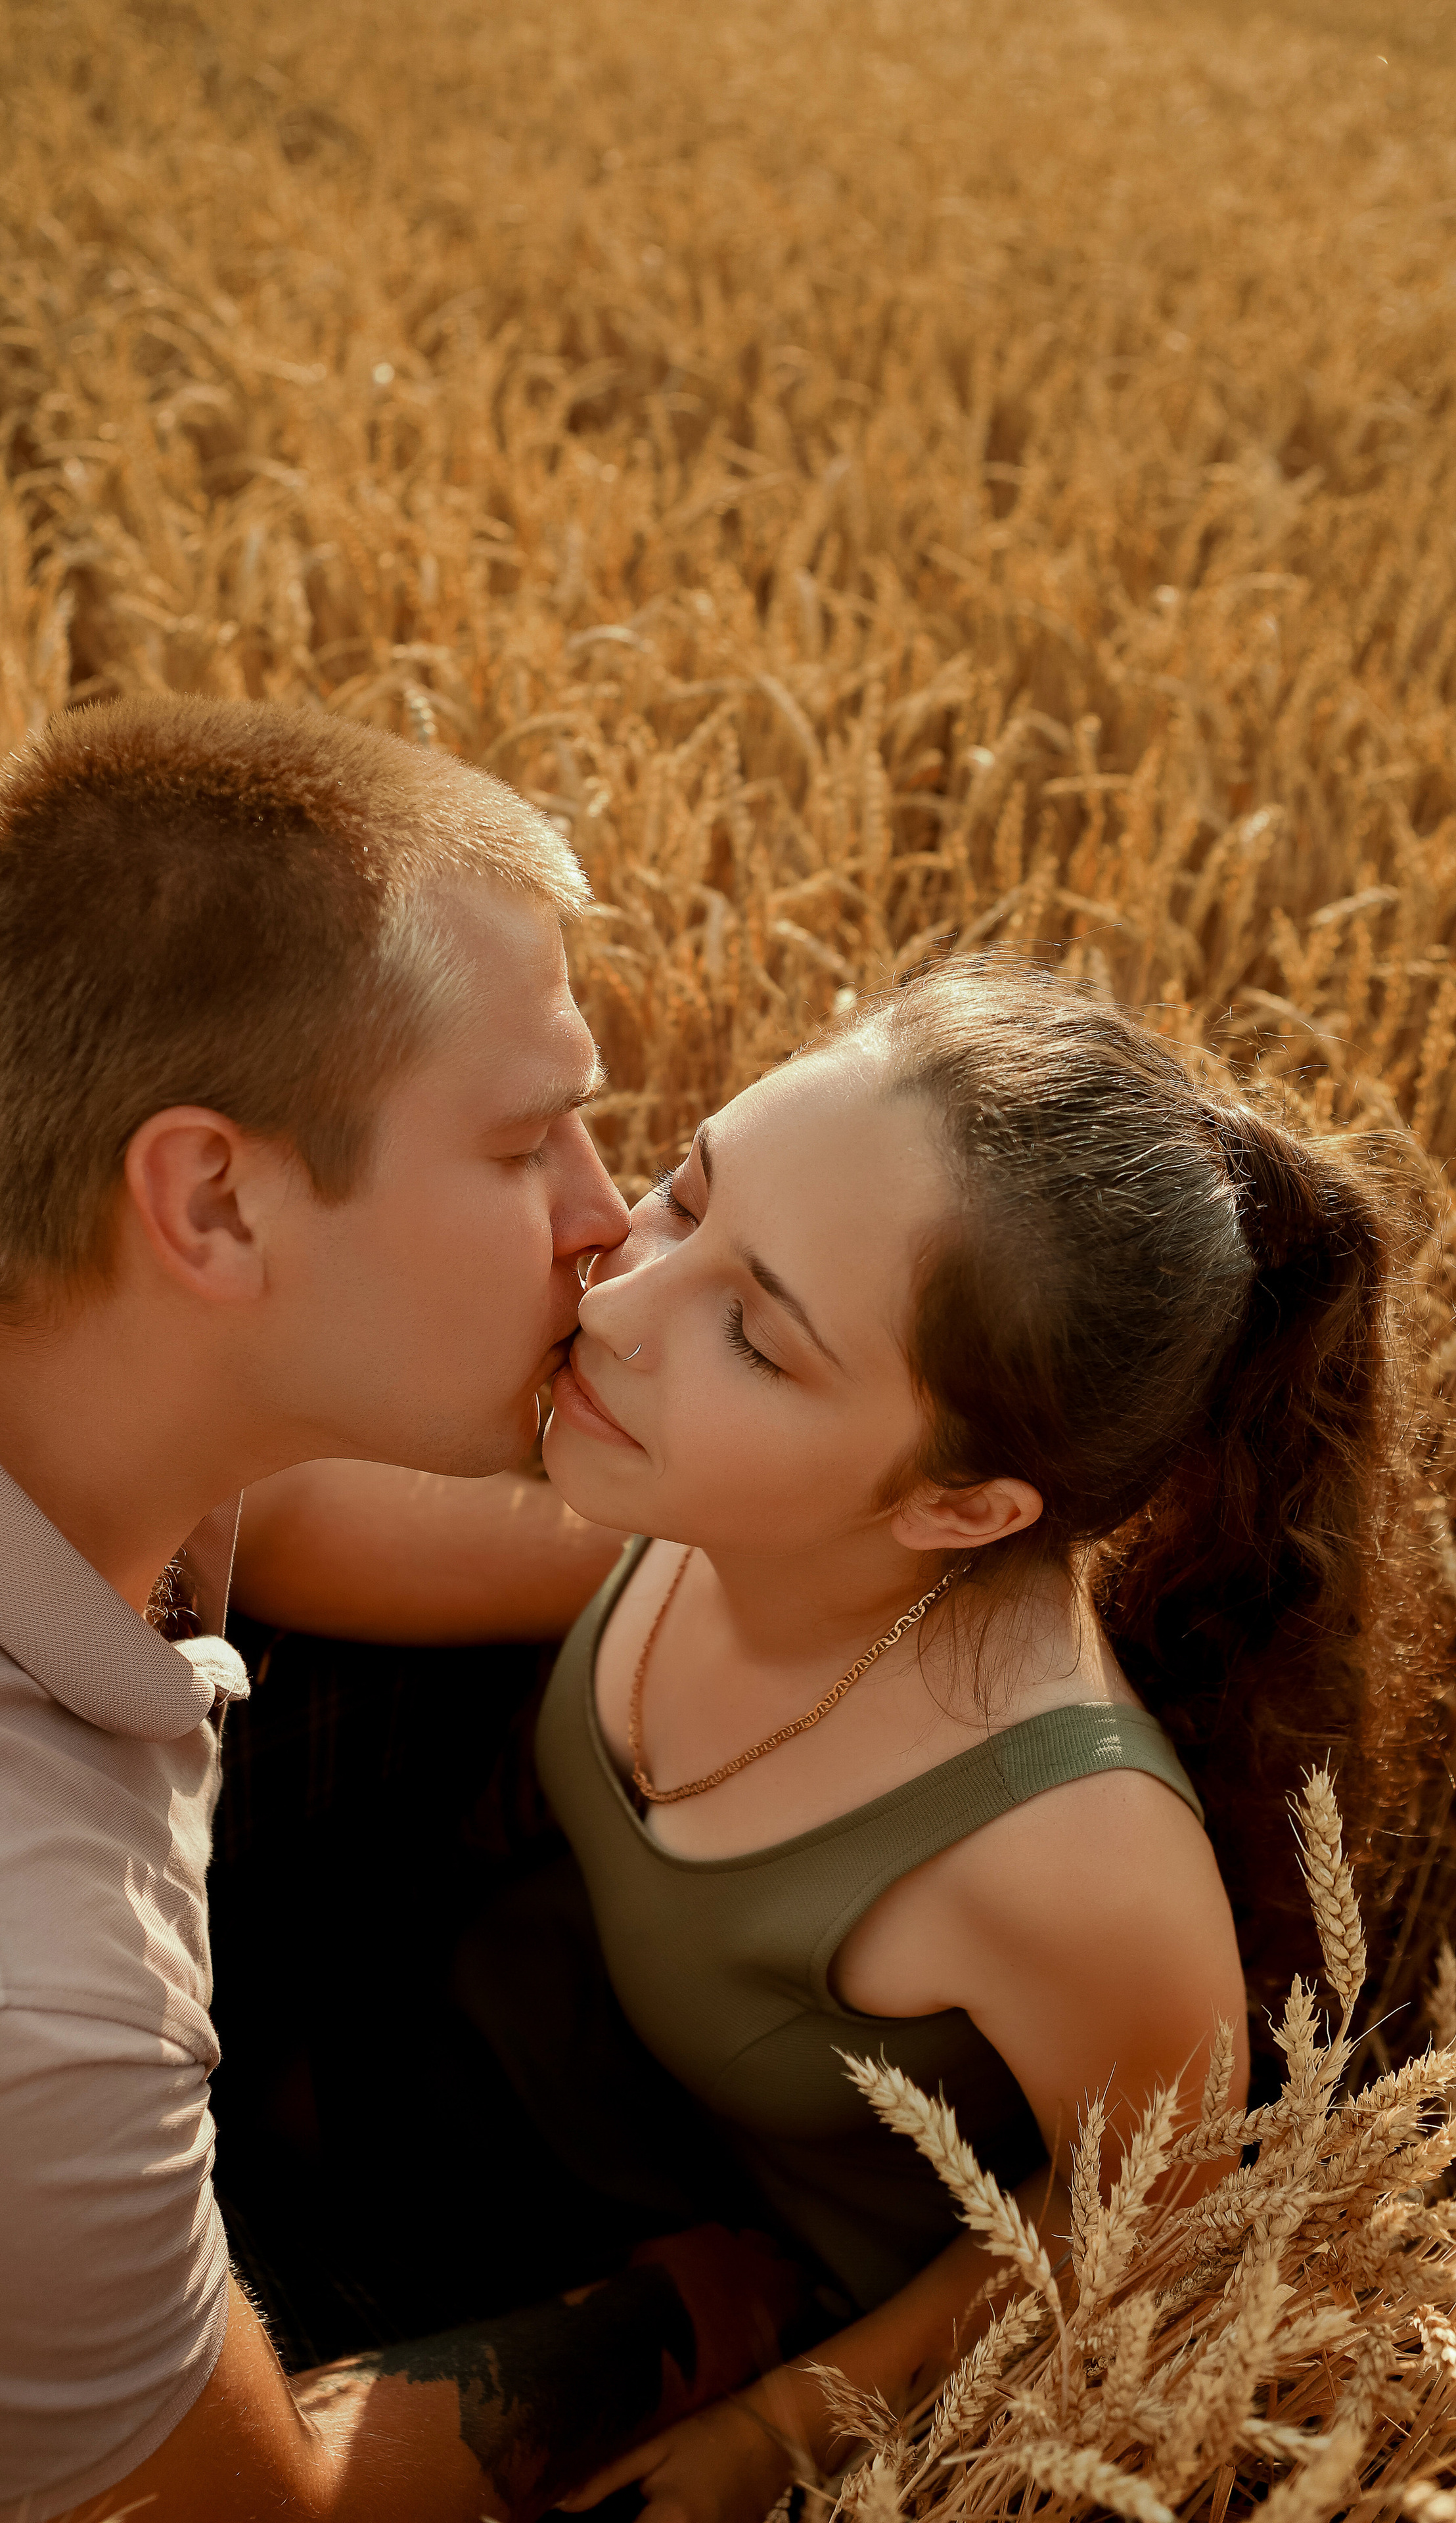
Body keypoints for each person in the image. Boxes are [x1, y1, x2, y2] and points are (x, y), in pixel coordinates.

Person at [0, 695, 800, 2523]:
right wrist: (718, 2307)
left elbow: (286, 1496)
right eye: (524, 1149)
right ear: (216, 1201)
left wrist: (780, 1524)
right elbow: (252, 2516)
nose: (608, 1222)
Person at [434, 956, 1426, 2523]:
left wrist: (775, 2433)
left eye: (757, 1338)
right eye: (686, 1197)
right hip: (475, 2098)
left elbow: (1140, 2211)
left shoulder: (1063, 1855)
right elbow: (284, 1531)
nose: (617, 1299)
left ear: (959, 1506)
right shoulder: (688, 1489)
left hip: (714, 2305)